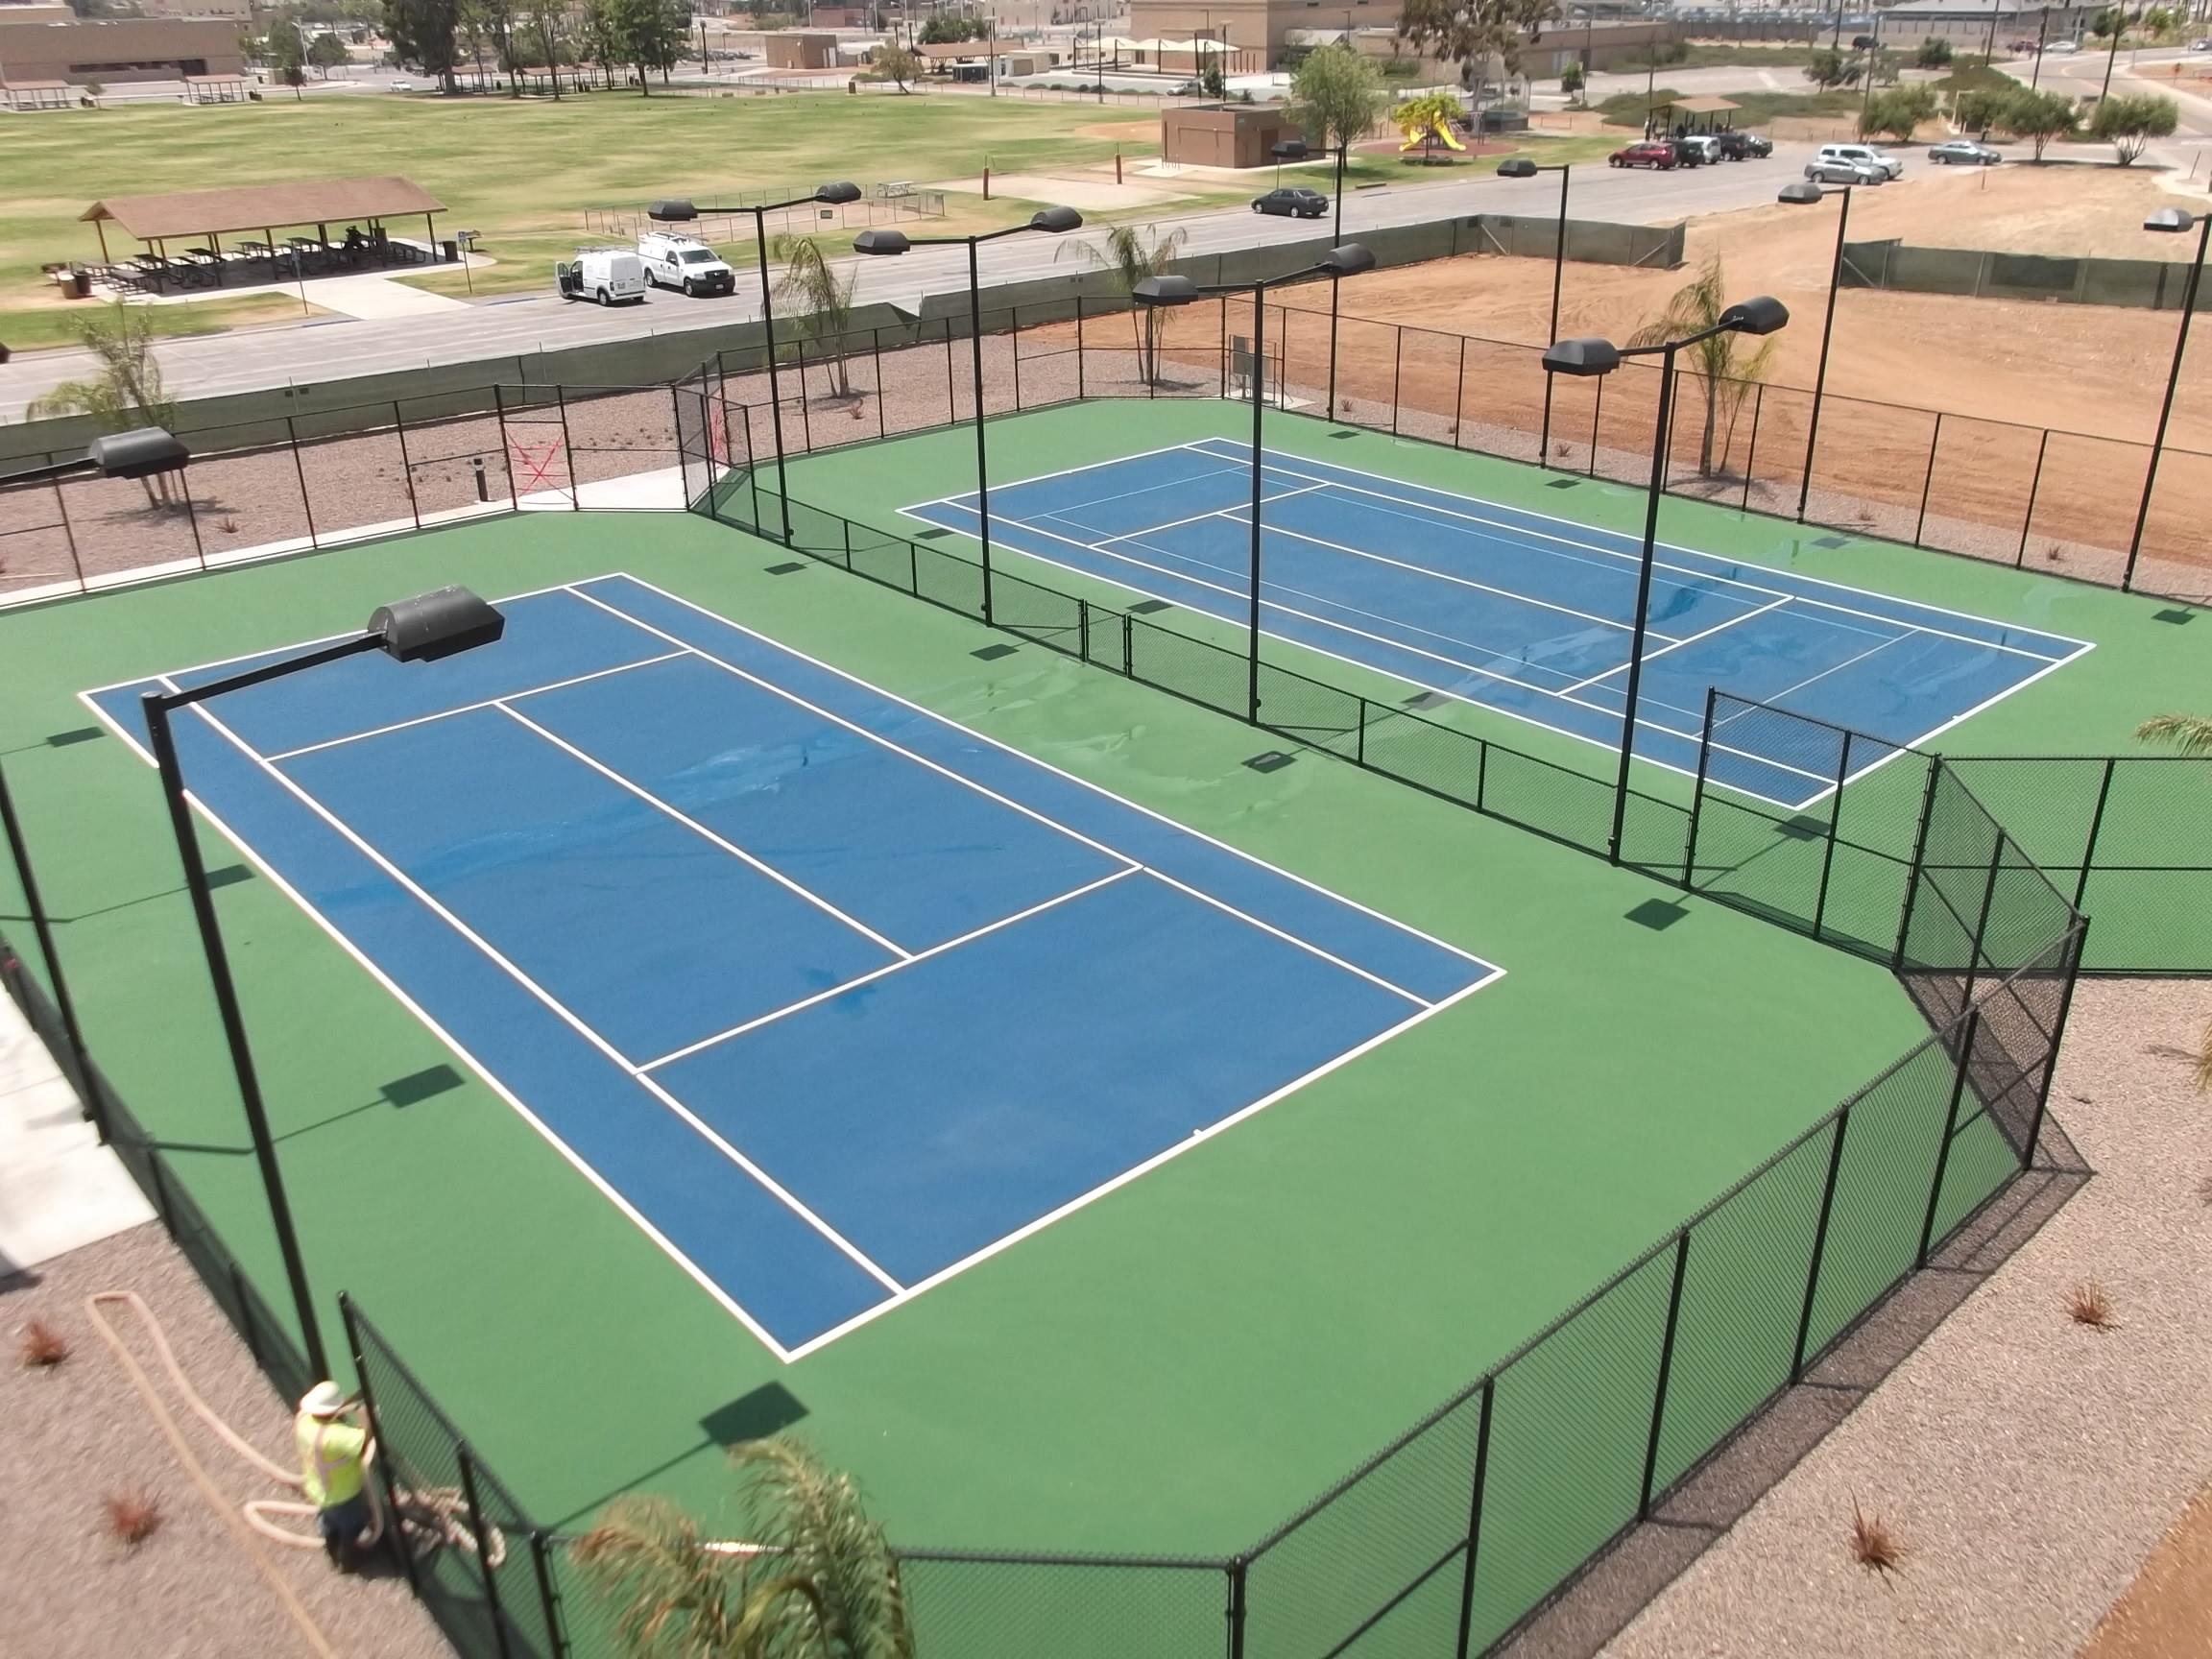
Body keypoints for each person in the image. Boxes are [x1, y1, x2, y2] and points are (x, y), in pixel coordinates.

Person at [295, 1381, 373, 1567]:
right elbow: (364, 1439)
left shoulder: (304, 1422)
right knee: (351, 1527)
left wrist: (343, 1405)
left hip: (318, 1490)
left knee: (329, 1523)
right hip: (344, 1494)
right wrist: (367, 1417)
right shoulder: (338, 1436)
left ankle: (332, 1553)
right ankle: (348, 1563)